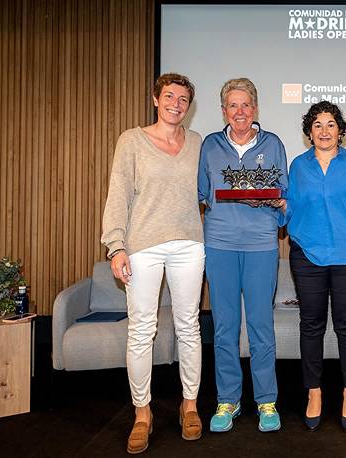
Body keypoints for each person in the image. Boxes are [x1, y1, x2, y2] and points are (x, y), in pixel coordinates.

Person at [101, 73, 205, 454]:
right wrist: (116, 246)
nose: (176, 103)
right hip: (142, 246)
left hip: (190, 245)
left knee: (189, 327)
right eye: (169, 96)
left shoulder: (197, 143)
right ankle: (142, 413)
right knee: (142, 330)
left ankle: (189, 405)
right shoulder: (131, 140)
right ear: (155, 99)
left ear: (189, 106)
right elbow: (118, 195)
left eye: (183, 99)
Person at [198, 78, 288, 433]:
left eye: (245, 105)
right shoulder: (210, 145)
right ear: (223, 111)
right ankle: (228, 400)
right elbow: (202, 195)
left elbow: (284, 195)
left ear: (255, 109)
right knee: (224, 327)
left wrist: (277, 200)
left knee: (261, 326)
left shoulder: (273, 144)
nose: (239, 112)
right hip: (219, 245)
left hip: (262, 246)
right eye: (232, 105)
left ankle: (266, 400)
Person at [284, 101, 346, 432]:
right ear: (310, 132)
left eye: (331, 124)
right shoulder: (298, 166)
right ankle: (314, 393)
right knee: (311, 325)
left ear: (341, 130)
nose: (324, 130)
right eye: (318, 125)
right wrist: (273, 205)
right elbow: (288, 209)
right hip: (307, 256)